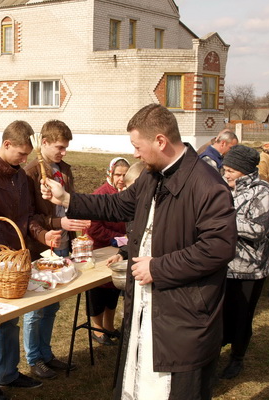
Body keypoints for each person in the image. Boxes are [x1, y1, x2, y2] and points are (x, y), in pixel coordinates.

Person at [41, 104, 237, 400]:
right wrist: (67, 197)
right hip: (150, 306)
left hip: (183, 316)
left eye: (137, 146)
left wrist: (158, 268)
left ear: (160, 141)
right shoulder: (152, 176)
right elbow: (116, 205)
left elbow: (218, 248)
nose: (134, 154)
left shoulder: (207, 185)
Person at [0, 120, 62, 400]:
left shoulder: (19, 176)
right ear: (6, 145)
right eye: (21, 154)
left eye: (27, 155)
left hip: (18, 261)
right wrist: (3, 256)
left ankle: (8, 372)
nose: (25, 160)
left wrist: (43, 236)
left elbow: (28, 216)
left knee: (11, 319)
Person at [24, 120, 90, 378]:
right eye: (59, 147)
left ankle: (46, 354)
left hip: (62, 245)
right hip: (41, 247)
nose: (63, 153)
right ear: (44, 143)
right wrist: (55, 223)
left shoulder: (64, 169)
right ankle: (33, 358)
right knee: (37, 306)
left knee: (52, 305)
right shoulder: (31, 172)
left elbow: (67, 203)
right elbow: (29, 216)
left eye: (66, 148)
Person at [220, 145, 269, 380]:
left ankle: (237, 358)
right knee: (222, 313)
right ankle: (215, 353)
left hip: (250, 268)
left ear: (243, 170)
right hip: (224, 264)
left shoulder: (261, 192)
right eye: (225, 169)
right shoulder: (225, 188)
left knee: (242, 315)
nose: (226, 174)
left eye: (231, 170)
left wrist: (224, 220)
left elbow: (258, 230)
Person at [84, 157, 130, 346]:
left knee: (113, 290)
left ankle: (109, 327)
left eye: (124, 175)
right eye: (118, 174)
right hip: (101, 250)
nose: (121, 178)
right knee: (98, 293)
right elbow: (93, 228)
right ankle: (98, 329)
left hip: (120, 251)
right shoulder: (101, 195)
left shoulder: (127, 194)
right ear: (110, 173)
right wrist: (117, 237)